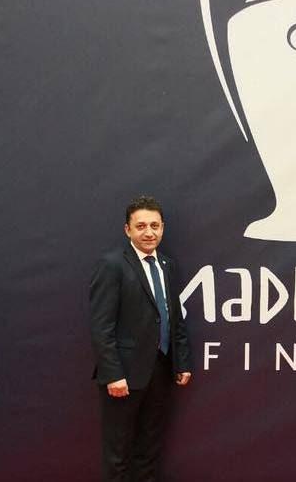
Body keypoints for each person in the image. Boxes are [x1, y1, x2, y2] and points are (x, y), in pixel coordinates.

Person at [89, 195, 192, 482]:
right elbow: (101, 327)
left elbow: (174, 317)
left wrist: (182, 361)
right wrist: (113, 374)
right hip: (123, 376)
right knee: (118, 452)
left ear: (163, 228)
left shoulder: (167, 265)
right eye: (141, 226)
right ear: (128, 230)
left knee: (149, 449)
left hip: (160, 370)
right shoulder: (112, 265)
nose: (149, 232)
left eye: (155, 226)